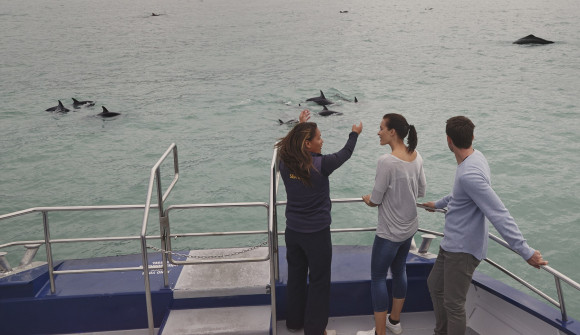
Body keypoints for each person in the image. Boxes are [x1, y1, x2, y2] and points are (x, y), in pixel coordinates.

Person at [421, 116, 548, 335]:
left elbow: (498, 213)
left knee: (454, 304)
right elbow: (461, 195)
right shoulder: (475, 158)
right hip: (451, 243)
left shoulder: (469, 173)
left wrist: (524, 251)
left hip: (462, 249)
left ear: (448, 140)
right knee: (435, 285)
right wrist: (439, 204)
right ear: (472, 137)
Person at [275, 109, 363, 335]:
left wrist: (301, 125)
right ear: (307, 144)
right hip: (316, 235)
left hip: (292, 232)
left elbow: (287, 144)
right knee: (319, 281)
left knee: (295, 276)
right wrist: (354, 133)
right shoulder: (321, 165)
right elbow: (346, 152)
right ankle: (315, 330)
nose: (322, 141)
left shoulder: (285, 161)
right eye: (318, 138)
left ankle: (294, 323)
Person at [357, 114, 426, 335]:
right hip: (409, 230)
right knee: (399, 271)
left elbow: (376, 199)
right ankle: (394, 322)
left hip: (388, 233)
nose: (378, 132)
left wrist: (368, 199)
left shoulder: (386, 161)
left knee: (378, 277)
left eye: (381, 128)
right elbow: (421, 191)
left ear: (392, 132)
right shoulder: (416, 156)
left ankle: (379, 332)